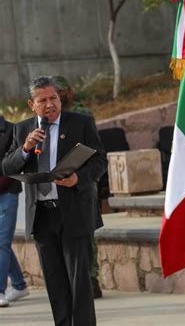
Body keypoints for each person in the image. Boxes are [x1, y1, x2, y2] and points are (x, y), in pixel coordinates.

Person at [2, 76, 107, 325]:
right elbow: (7, 167)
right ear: (32, 104)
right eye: (43, 100)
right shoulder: (22, 129)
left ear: (60, 98)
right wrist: (25, 149)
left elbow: (100, 160)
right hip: (42, 216)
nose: (50, 104)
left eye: (54, 98)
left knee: (79, 282)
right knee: (55, 283)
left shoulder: (80, 123)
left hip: (73, 211)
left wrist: (78, 179)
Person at [52, 75, 102, 299]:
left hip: (82, 181)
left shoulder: (81, 114)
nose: (59, 96)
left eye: (61, 92)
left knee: (86, 234)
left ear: (69, 92)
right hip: (57, 185)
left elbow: (93, 153)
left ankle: (91, 279)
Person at [0, 115, 29, 307]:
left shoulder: (13, 130)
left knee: (2, 241)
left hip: (7, 191)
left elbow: (15, 162)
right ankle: (19, 285)